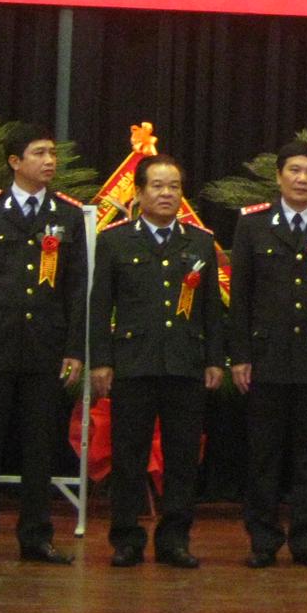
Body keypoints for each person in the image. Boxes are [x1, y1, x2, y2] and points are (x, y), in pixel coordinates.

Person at [0, 124, 86, 564]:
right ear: (14, 161)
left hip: (45, 346)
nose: (49, 161)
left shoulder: (67, 214)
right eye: (39, 153)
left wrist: (75, 349)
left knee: (40, 447)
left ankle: (37, 536)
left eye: (52, 153)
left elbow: (76, 289)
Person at [83, 154, 225, 568]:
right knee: (129, 455)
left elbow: (211, 309)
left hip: (185, 361)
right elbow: (100, 305)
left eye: (174, 187)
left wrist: (214, 359)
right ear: (140, 192)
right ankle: (127, 538)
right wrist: (101, 361)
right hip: (134, 362)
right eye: (158, 186)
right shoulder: (115, 240)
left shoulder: (199, 241)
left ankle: (175, 539)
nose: (167, 194)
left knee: (182, 457)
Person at [228, 139, 307, 569]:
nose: (303, 179)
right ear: (279, 175)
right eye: (295, 171)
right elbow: (240, 296)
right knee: (262, 456)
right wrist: (240, 354)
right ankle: (263, 539)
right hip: (265, 358)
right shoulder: (253, 224)